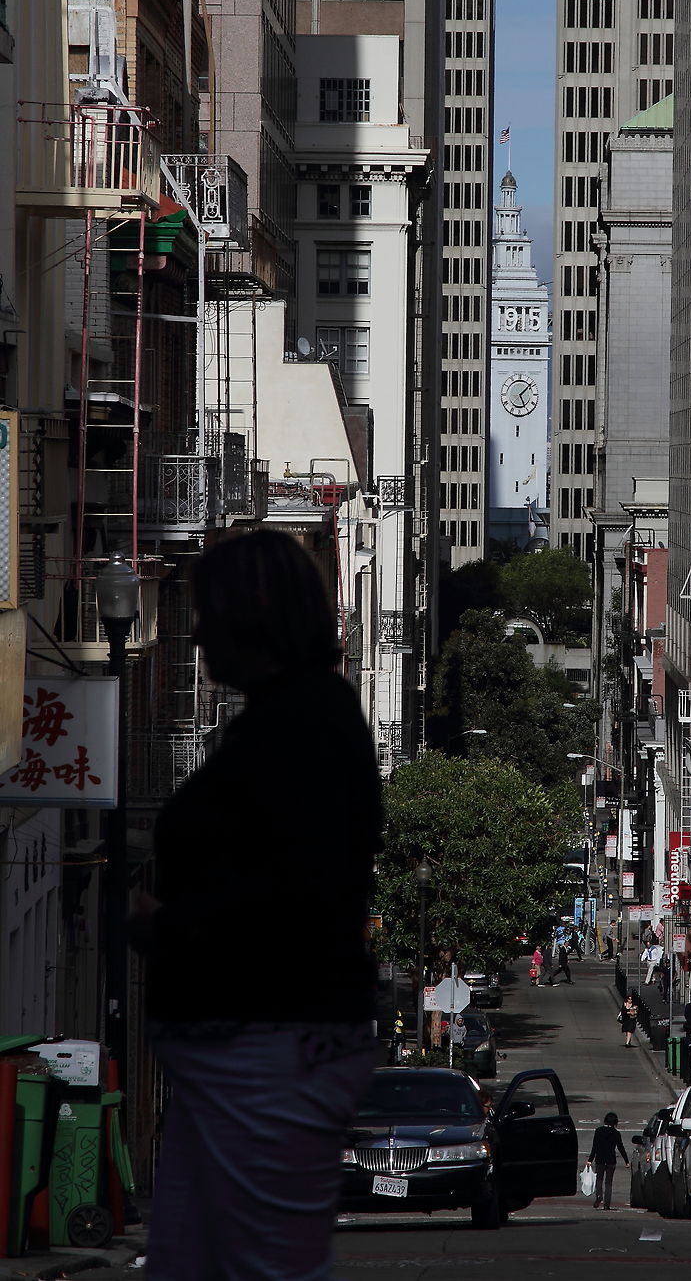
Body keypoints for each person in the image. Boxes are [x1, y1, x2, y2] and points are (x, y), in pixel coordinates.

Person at [130, 530, 382, 1281]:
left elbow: (292, 894)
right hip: (242, 1055)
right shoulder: (290, 717)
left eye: (207, 611)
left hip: (270, 1052)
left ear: (253, 619)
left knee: (266, 1267)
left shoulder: (304, 727)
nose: (197, 631)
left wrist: (168, 925)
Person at [586, 1112, 630, 1211]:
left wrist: (590, 1160)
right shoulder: (616, 1133)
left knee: (599, 1180)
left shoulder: (598, 1131)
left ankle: (599, 1196)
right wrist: (626, 1161)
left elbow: (595, 1147)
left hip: (600, 1159)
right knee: (608, 1183)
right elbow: (620, 1147)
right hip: (611, 1160)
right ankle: (607, 1204)